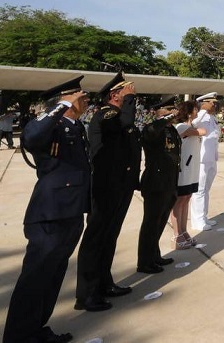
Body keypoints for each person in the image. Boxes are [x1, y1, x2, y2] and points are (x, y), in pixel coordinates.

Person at [3, 77, 89, 343]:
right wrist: (62, 104)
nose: (86, 99)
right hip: (50, 214)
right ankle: (18, 337)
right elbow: (30, 137)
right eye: (80, 96)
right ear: (68, 100)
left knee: (52, 277)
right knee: (35, 279)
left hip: (71, 212)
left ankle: (36, 329)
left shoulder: (74, 125)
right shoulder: (51, 124)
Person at [76, 72, 141, 312]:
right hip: (105, 187)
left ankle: (104, 284)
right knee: (96, 239)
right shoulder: (107, 114)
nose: (132, 93)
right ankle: (86, 294)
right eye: (126, 91)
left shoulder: (117, 115)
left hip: (119, 185)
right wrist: (130, 101)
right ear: (114, 95)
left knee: (109, 237)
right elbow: (125, 123)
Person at [136, 96, 180, 274]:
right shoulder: (152, 128)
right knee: (150, 223)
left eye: (173, 110)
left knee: (160, 222)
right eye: (168, 111)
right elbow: (151, 132)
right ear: (159, 113)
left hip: (169, 182)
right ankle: (144, 262)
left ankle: (154, 255)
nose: (172, 114)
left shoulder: (172, 131)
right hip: (155, 183)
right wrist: (167, 119)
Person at [172, 101, 204, 249]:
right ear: (189, 112)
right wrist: (198, 128)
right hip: (184, 170)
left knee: (187, 198)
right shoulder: (182, 127)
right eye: (195, 109)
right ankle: (177, 234)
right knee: (179, 201)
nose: (197, 112)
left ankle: (184, 231)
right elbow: (202, 132)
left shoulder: (190, 126)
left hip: (192, 170)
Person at [191, 92, 220, 232]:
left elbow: (214, 137)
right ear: (204, 103)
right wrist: (202, 111)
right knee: (199, 190)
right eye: (212, 102)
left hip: (210, 159)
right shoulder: (199, 116)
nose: (214, 105)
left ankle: (204, 216)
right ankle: (197, 221)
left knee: (206, 189)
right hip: (201, 159)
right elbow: (192, 124)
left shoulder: (212, 118)